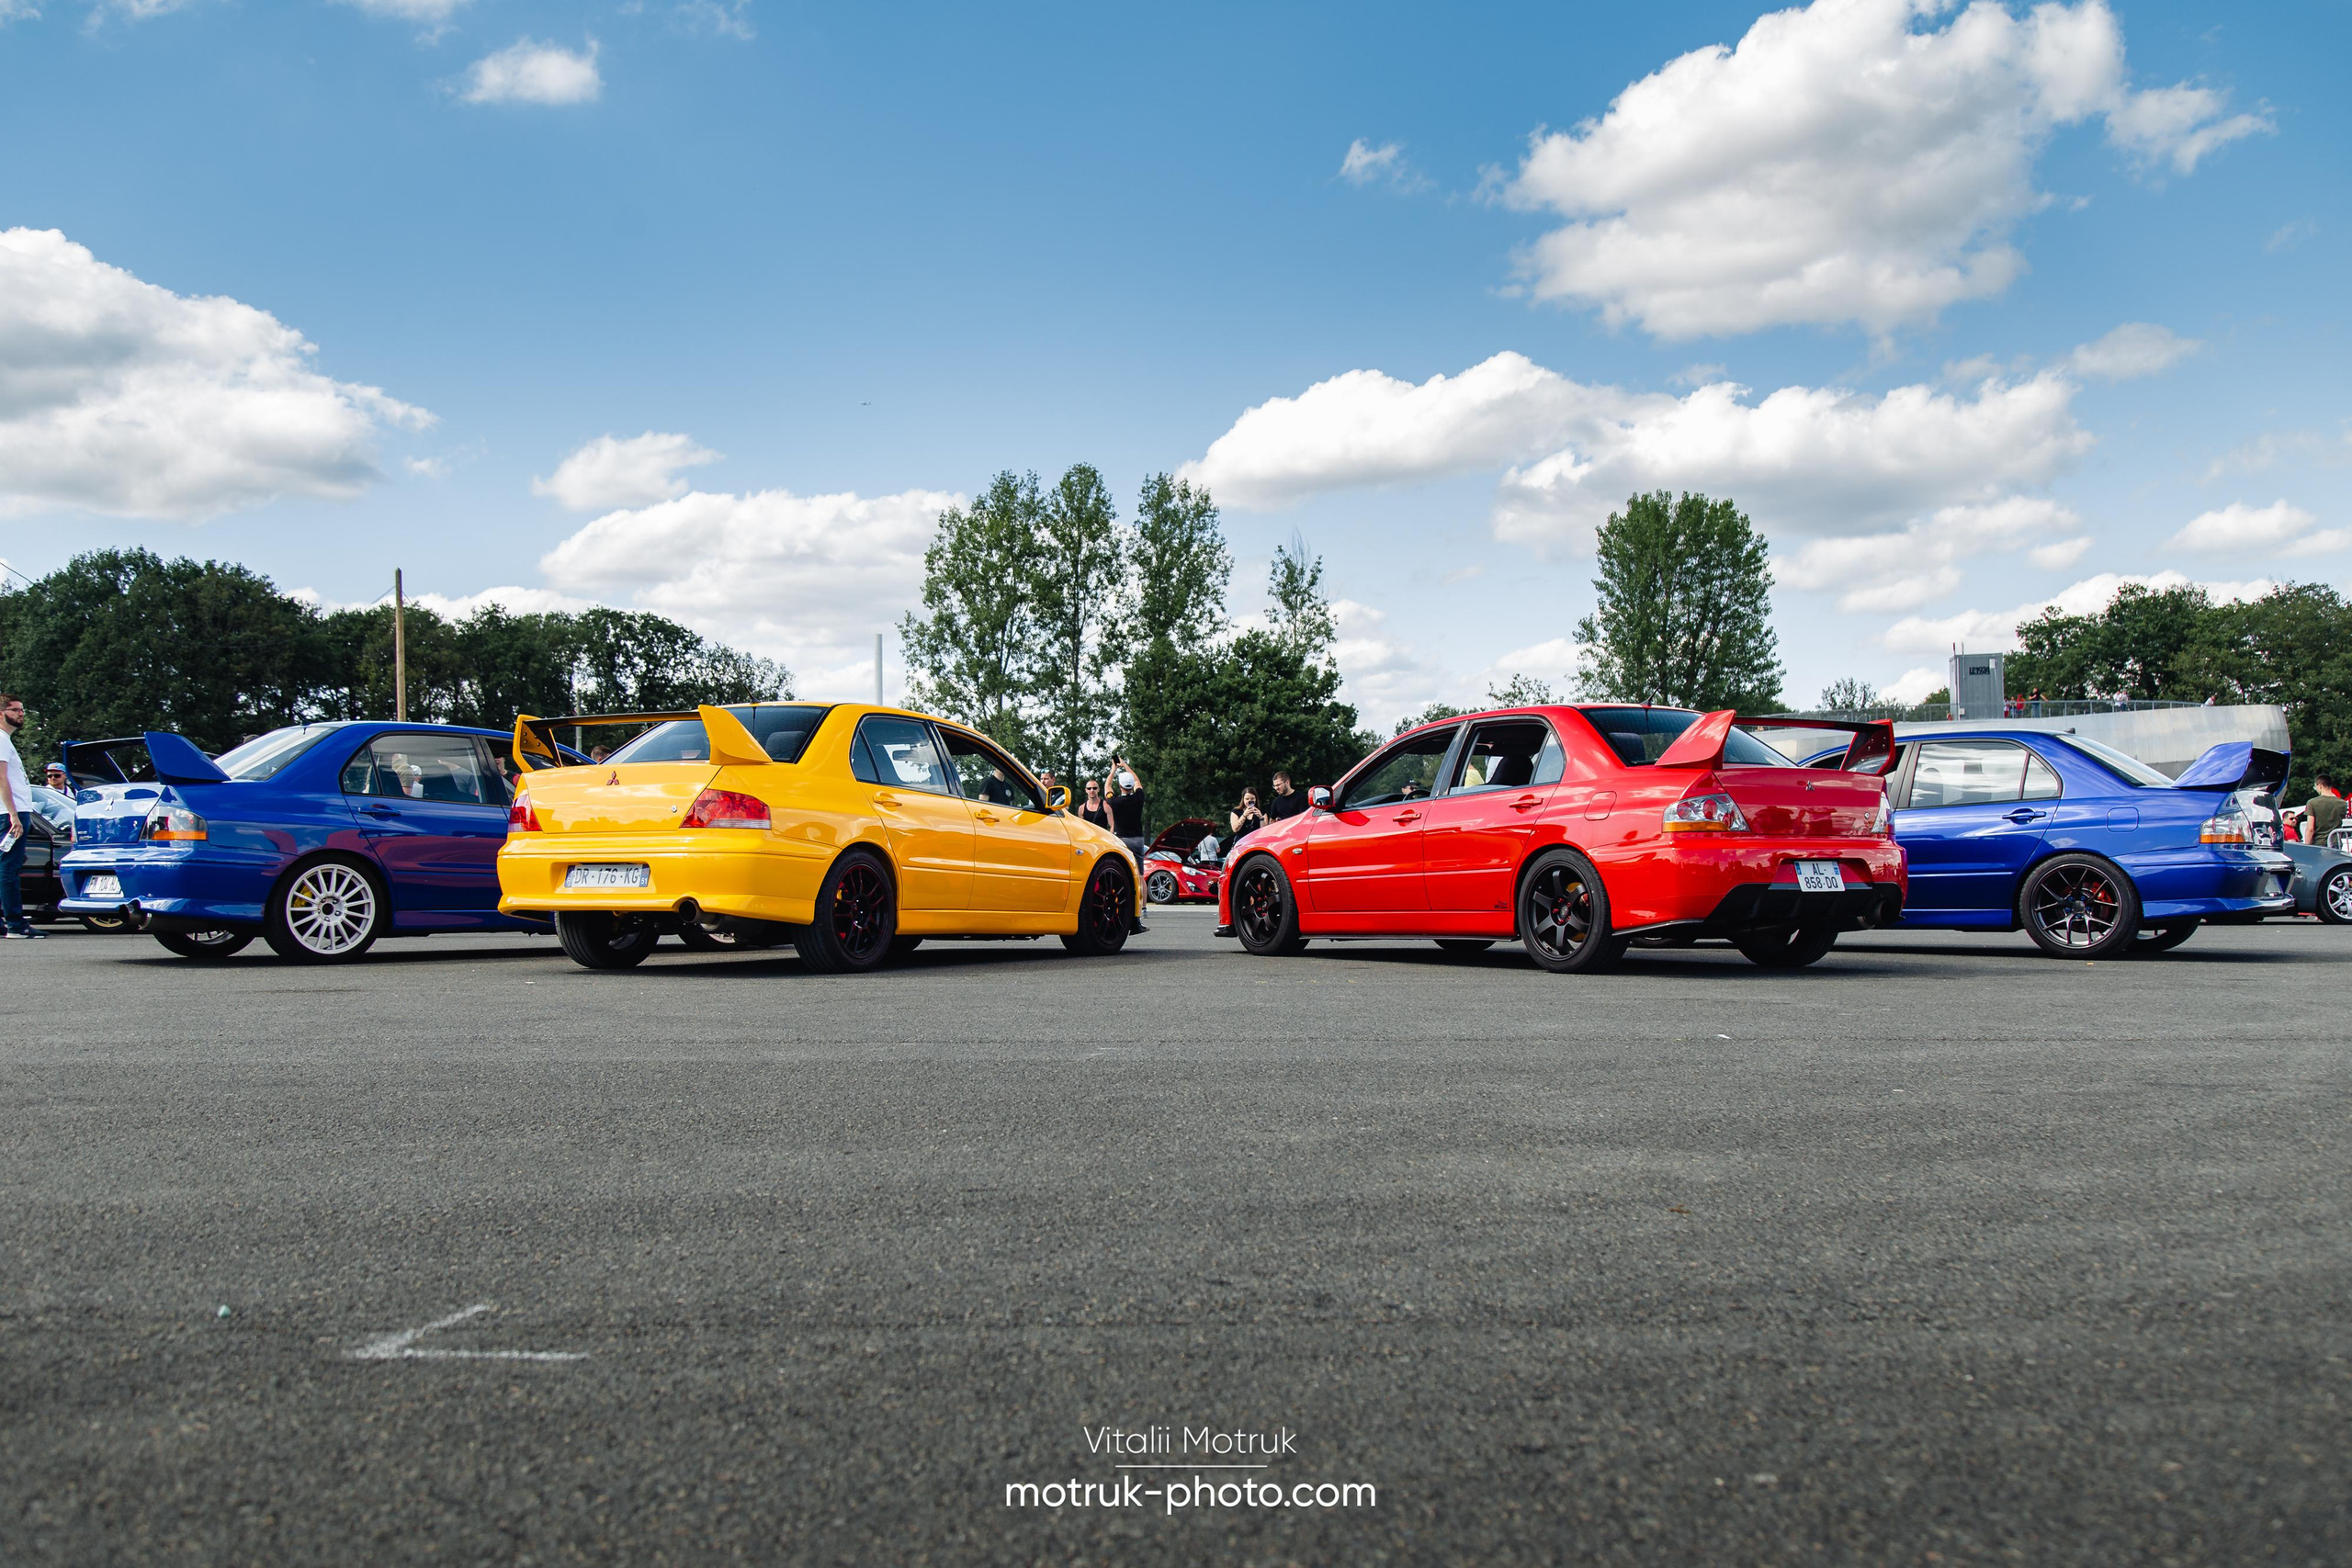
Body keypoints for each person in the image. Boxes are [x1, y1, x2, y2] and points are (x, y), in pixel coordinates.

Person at [0, 694, 41, 939]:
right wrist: (14, 814)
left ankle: (9, 923)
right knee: (9, 869)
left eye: (22, 710)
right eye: (15, 710)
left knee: (5, 867)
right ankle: (16, 924)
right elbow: (2, 778)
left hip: (10, 812)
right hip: (11, 813)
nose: (21, 714)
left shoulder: (5, 740)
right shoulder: (2, 740)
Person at [1104, 755, 1148, 865]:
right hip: (1138, 839)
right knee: (1140, 873)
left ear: (1120, 786)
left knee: (1123, 869)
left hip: (1122, 839)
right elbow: (1137, 780)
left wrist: (1113, 770)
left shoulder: (1115, 802)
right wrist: (1125, 765)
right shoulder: (1139, 797)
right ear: (1132, 785)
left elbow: (1108, 786)